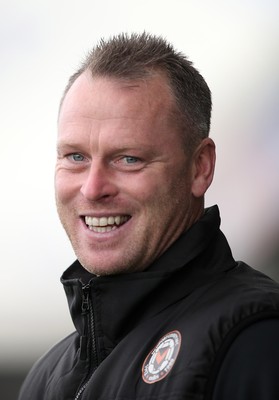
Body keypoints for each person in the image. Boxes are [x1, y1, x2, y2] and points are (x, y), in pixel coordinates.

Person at [19, 33, 279, 400]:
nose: (93, 188)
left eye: (129, 159)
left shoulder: (255, 341)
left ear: (200, 168)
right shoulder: (46, 376)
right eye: (75, 157)